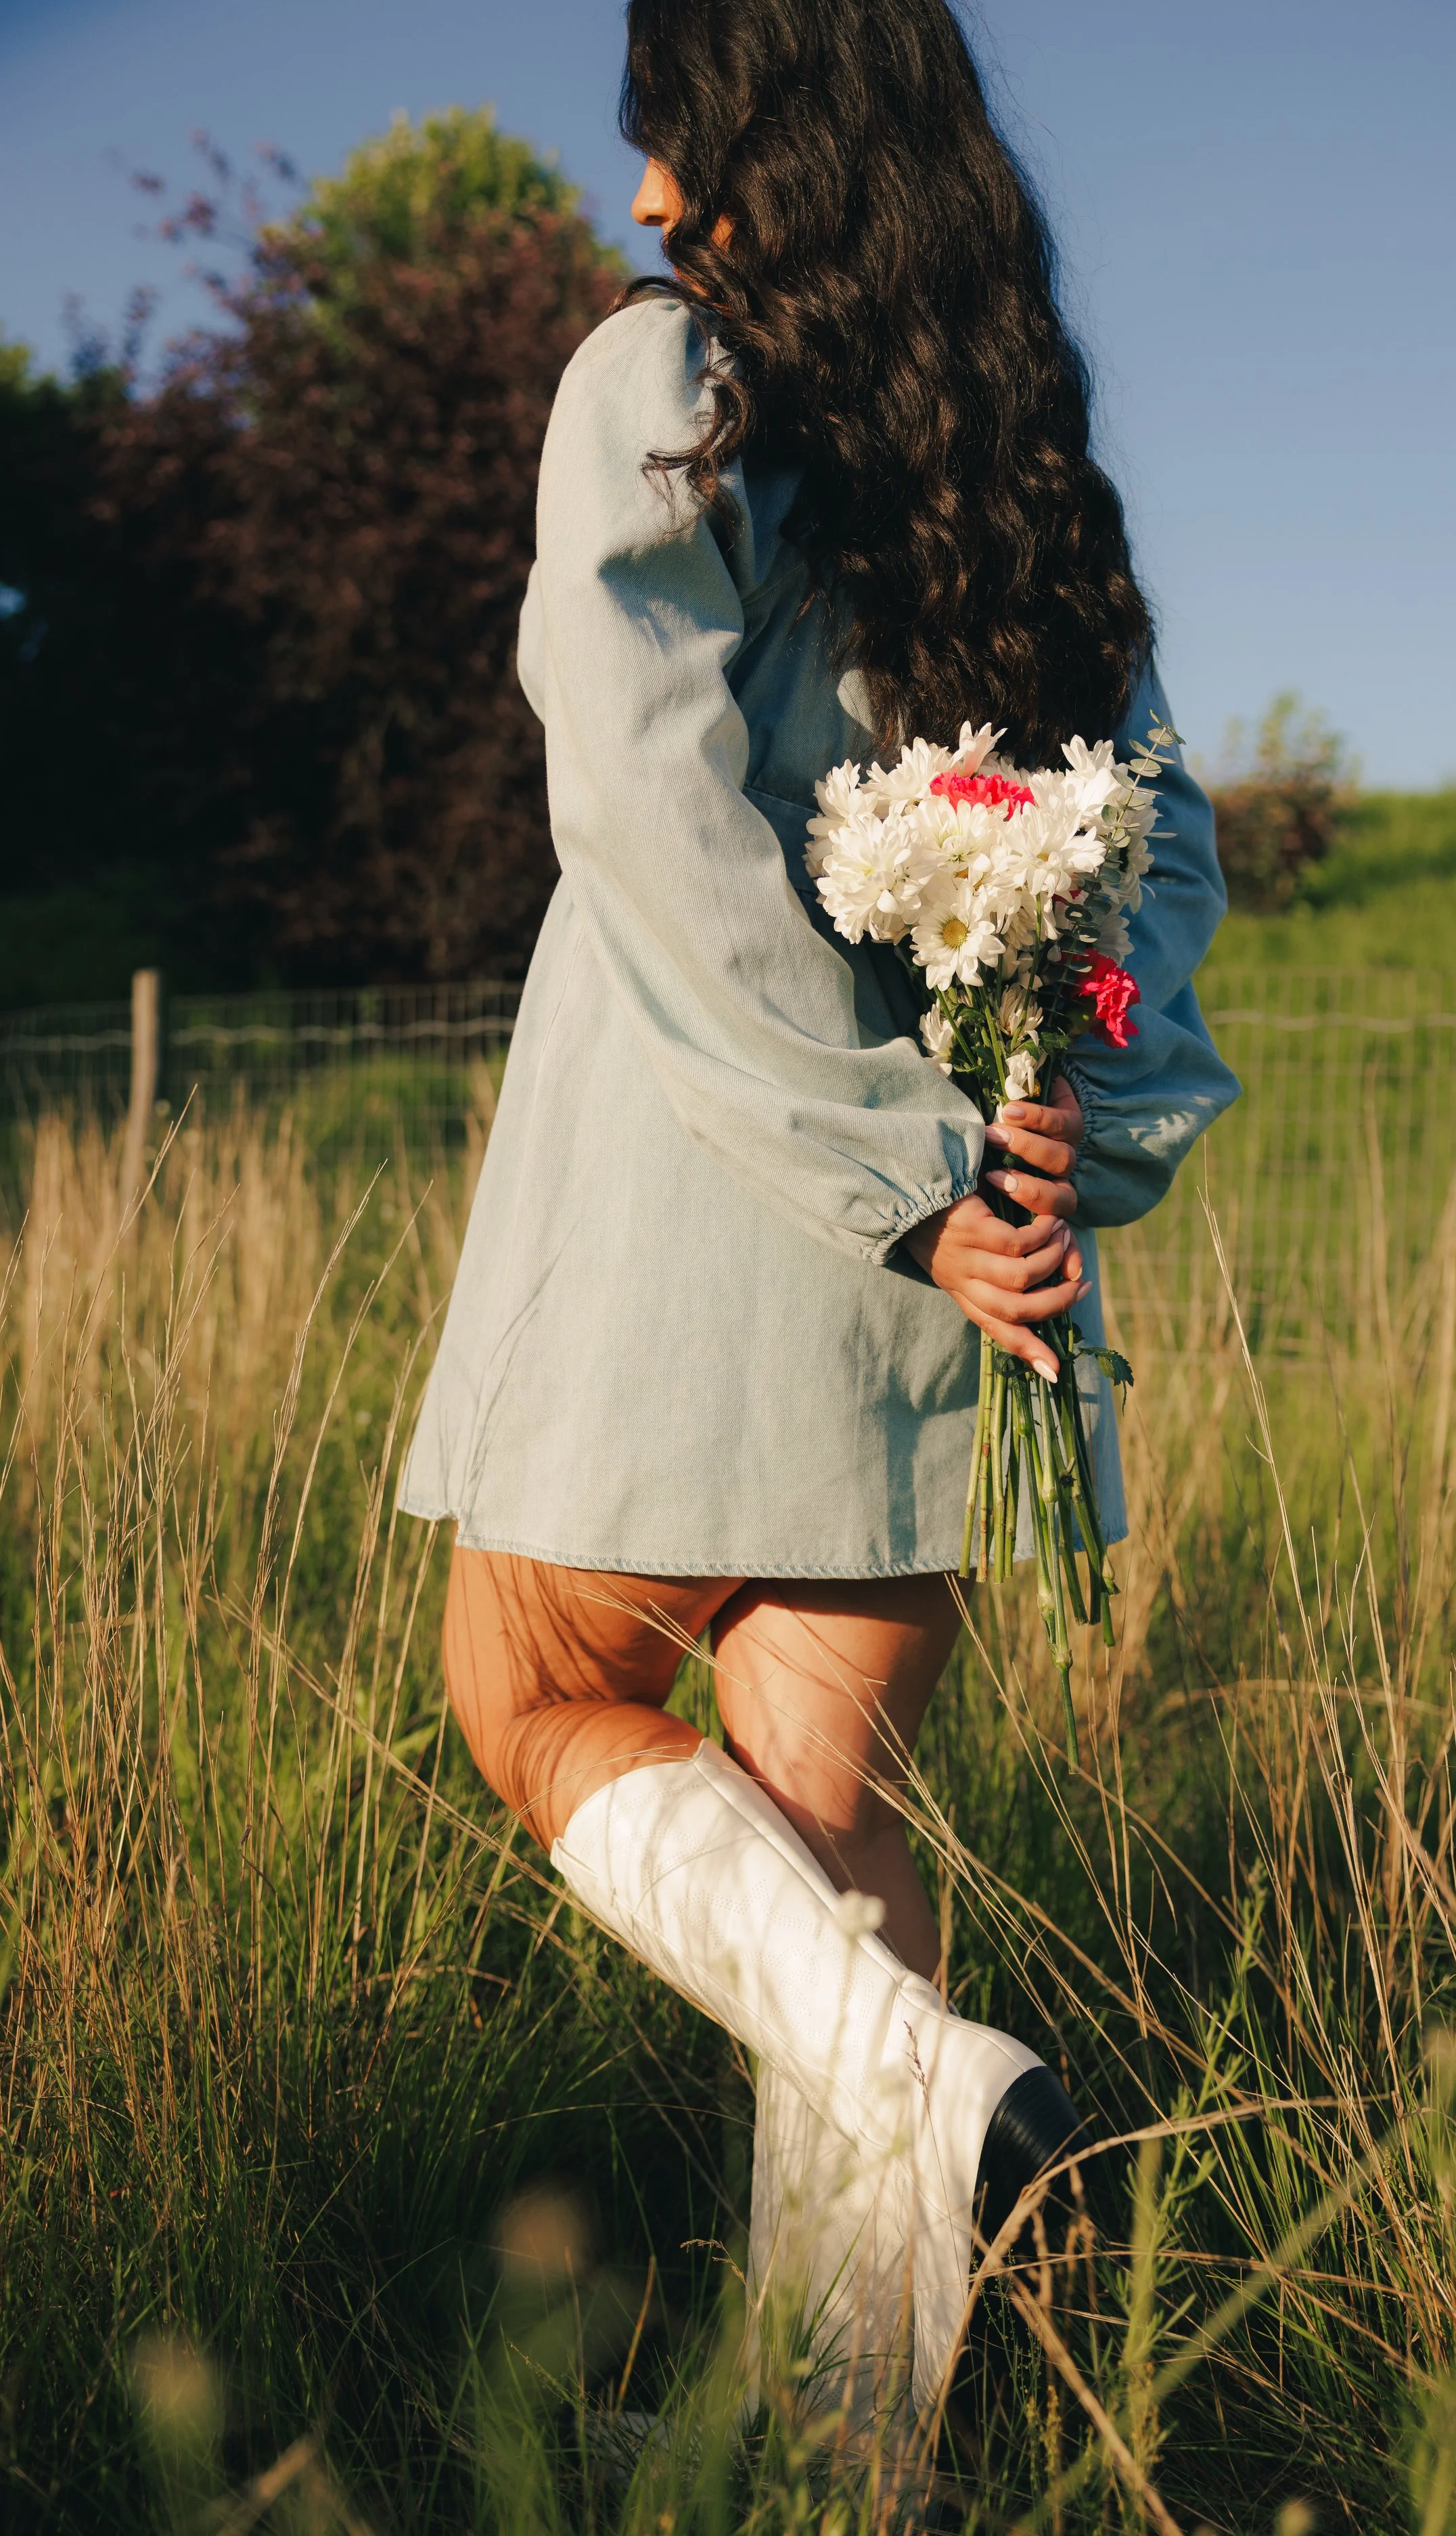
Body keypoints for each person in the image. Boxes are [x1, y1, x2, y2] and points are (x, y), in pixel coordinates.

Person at [399, 0, 1239, 2435]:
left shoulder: (667, 385)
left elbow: (644, 807)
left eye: (674, 134)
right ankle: (850, 2458)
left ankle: (933, 2089)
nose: (648, 196)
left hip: (711, 1194)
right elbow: (1149, 861)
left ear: (774, 133)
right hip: (974, 1245)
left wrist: (891, 1173)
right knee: (824, 1815)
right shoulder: (1023, 475)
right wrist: (1053, 1119)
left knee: (528, 1695)